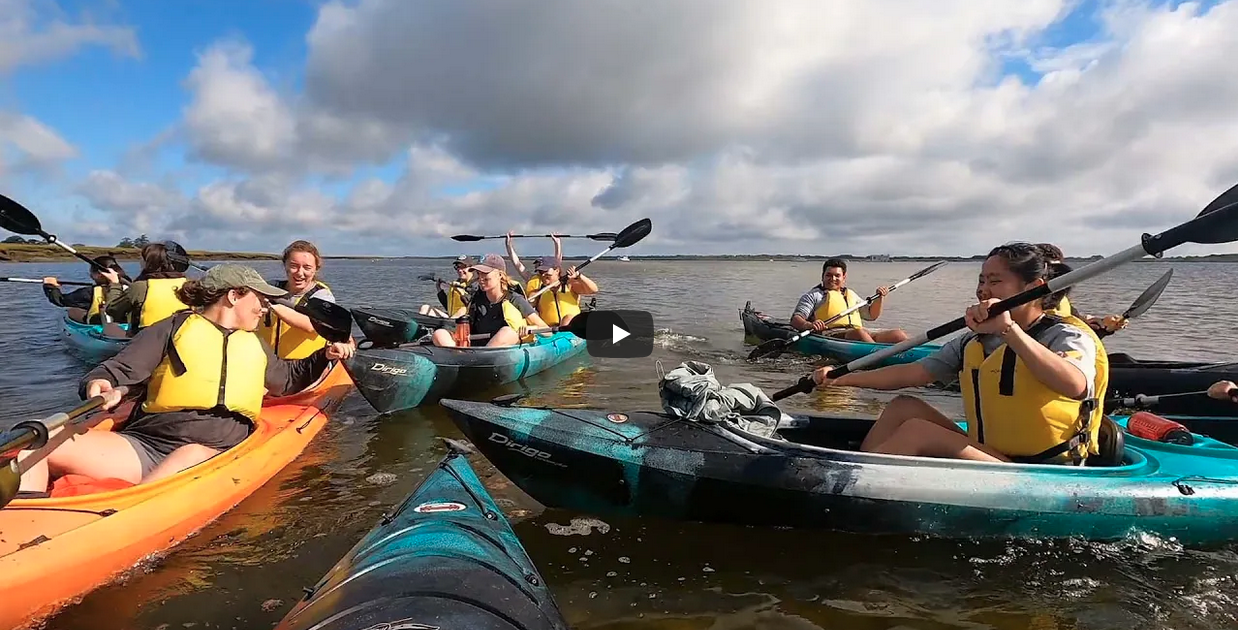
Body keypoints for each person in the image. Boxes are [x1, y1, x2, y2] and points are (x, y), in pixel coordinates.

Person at [15, 264, 356, 494]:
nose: (265, 307)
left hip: (212, 450)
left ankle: (132, 517)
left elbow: (286, 381)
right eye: (260, 299)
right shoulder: (171, 328)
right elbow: (117, 370)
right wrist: (99, 384)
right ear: (234, 295)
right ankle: (26, 531)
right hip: (146, 445)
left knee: (189, 454)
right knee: (39, 437)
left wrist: (323, 356)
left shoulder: (253, 344)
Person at [810, 243, 1107, 465]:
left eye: (994, 281)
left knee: (919, 431)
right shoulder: (973, 341)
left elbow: (1076, 385)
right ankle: (859, 473)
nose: (982, 290)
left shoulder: (1066, 334)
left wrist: (1009, 331)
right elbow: (912, 373)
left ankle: (858, 478)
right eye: (981, 280)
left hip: (1044, 467)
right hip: (993, 453)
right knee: (903, 407)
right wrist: (841, 379)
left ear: (1034, 288)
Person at [431, 254, 551, 348]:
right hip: (477, 346)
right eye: (479, 273)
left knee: (507, 332)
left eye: (485, 273)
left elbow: (547, 331)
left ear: (500, 275)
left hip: (499, 349)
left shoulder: (515, 299)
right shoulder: (477, 299)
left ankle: (478, 363)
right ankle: (459, 360)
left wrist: (530, 329)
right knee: (439, 334)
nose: (481, 278)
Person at [790, 258, 910, 343]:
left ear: (844, 278)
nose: (833, 279)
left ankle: (915, 358)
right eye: (828, 275)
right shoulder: (814, 295)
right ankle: (880, 357)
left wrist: (879, 298)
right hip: (831, 334)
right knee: (859, 333)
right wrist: (809, 324)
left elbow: (871, 316)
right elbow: (796, 319)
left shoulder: (851, 294)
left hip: (856, 332)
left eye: (837, 275)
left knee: (898, 334)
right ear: (823, 276)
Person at [257, 240, 336, 359]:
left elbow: (311, 325)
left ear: (315, 269)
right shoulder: (269, 288)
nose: (300, 273)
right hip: (267, 362)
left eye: (307, 267)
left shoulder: (322, 296)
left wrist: (273, 306)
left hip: (303, 367)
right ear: (285, 266)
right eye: (294, 266)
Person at [1034, 244, 1127, 337]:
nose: (1053, 275)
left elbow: (1077, 333)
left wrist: (1105, 326)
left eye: (1058, 271)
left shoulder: (1061, 301)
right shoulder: (1025, 304)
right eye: (1047, 270)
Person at [102, 242, 190, 332]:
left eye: (142, 258)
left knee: (110, 329)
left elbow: (112, 311)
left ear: (148, 262)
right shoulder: (188, 285)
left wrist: (115, 284)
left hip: (147, 340)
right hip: (180, 337)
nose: (140, 261)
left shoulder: (139, 287)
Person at [42, 255, 126, 324]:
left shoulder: (88, 293)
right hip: (124, 322)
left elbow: (60, 300)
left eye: (91, 273)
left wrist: (50, 287)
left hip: (100, 323)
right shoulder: (130, 287)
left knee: (72, 311)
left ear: (99, 275)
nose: (90, 275)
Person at [529, 256, 598, 326]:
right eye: (540, 272)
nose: (543, 274)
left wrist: (578, 276)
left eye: (545, 270)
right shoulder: (538, 292)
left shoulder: (569, 285)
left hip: (571, 329)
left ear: (557, 270)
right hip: (550, 331)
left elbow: (593, 290)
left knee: (568, 318)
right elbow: (528, 307)